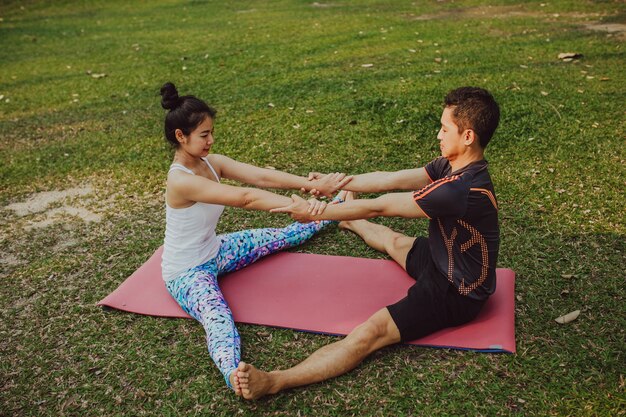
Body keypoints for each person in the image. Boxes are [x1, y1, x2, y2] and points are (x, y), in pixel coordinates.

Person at [235, 86, 501, 400]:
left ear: (468, 136)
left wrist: (317, 212)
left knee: (369, 333)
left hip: (455, 292)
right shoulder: (452, 166)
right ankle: (349, 221)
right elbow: (391, 178)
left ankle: (275, 380)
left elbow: (382, 205)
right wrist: (332, 184)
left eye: (445, 129)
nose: (438, 135)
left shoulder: (460, 189)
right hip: (442, 256)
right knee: (394, 241)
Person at [158, 82, 351, 395]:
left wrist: (309, 185)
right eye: (203, 135)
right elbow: (246, 197)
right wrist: (294, 205)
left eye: (211, 133)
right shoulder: (180, 180)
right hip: (186, 273)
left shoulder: (212, 162)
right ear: (181, 136)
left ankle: (339, 205)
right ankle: (235, 375)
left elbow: (259, 176)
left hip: (217, 249)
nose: (211, 140)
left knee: (282, 236)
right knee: (217, 318)